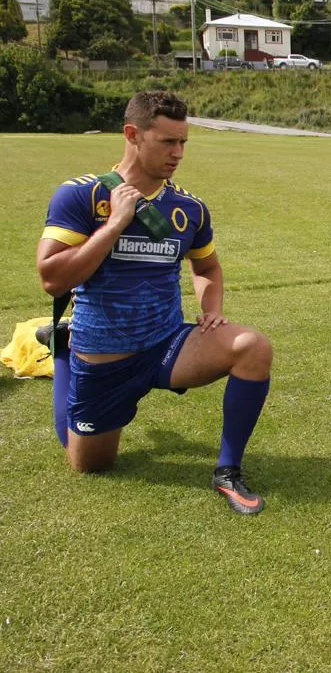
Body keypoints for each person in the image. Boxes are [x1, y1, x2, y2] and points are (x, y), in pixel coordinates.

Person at [36, 91, 272, 515]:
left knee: (253, 348)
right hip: (104, 355)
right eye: (167, 142)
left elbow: (207, 269)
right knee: (90, 466)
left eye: (183, 142)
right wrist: (114, 227)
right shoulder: (81, 196)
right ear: (132, 134)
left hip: (167, 345)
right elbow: (52, 279)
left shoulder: (189, 208)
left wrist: (212, 308)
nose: (178, 153)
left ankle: (227, 469)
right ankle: (65, 350)